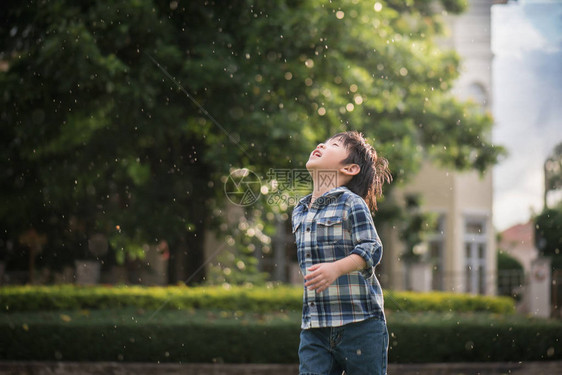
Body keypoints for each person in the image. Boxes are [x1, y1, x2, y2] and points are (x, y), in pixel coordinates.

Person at [292, 131, 392, 375]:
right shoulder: (299, 211)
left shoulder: (351, 203)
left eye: (333, 145)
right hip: (315, 328)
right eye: (324, 142)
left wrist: (336, 268)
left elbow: (371, 248)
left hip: (360, 324)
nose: (321, 145)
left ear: (350, 168)